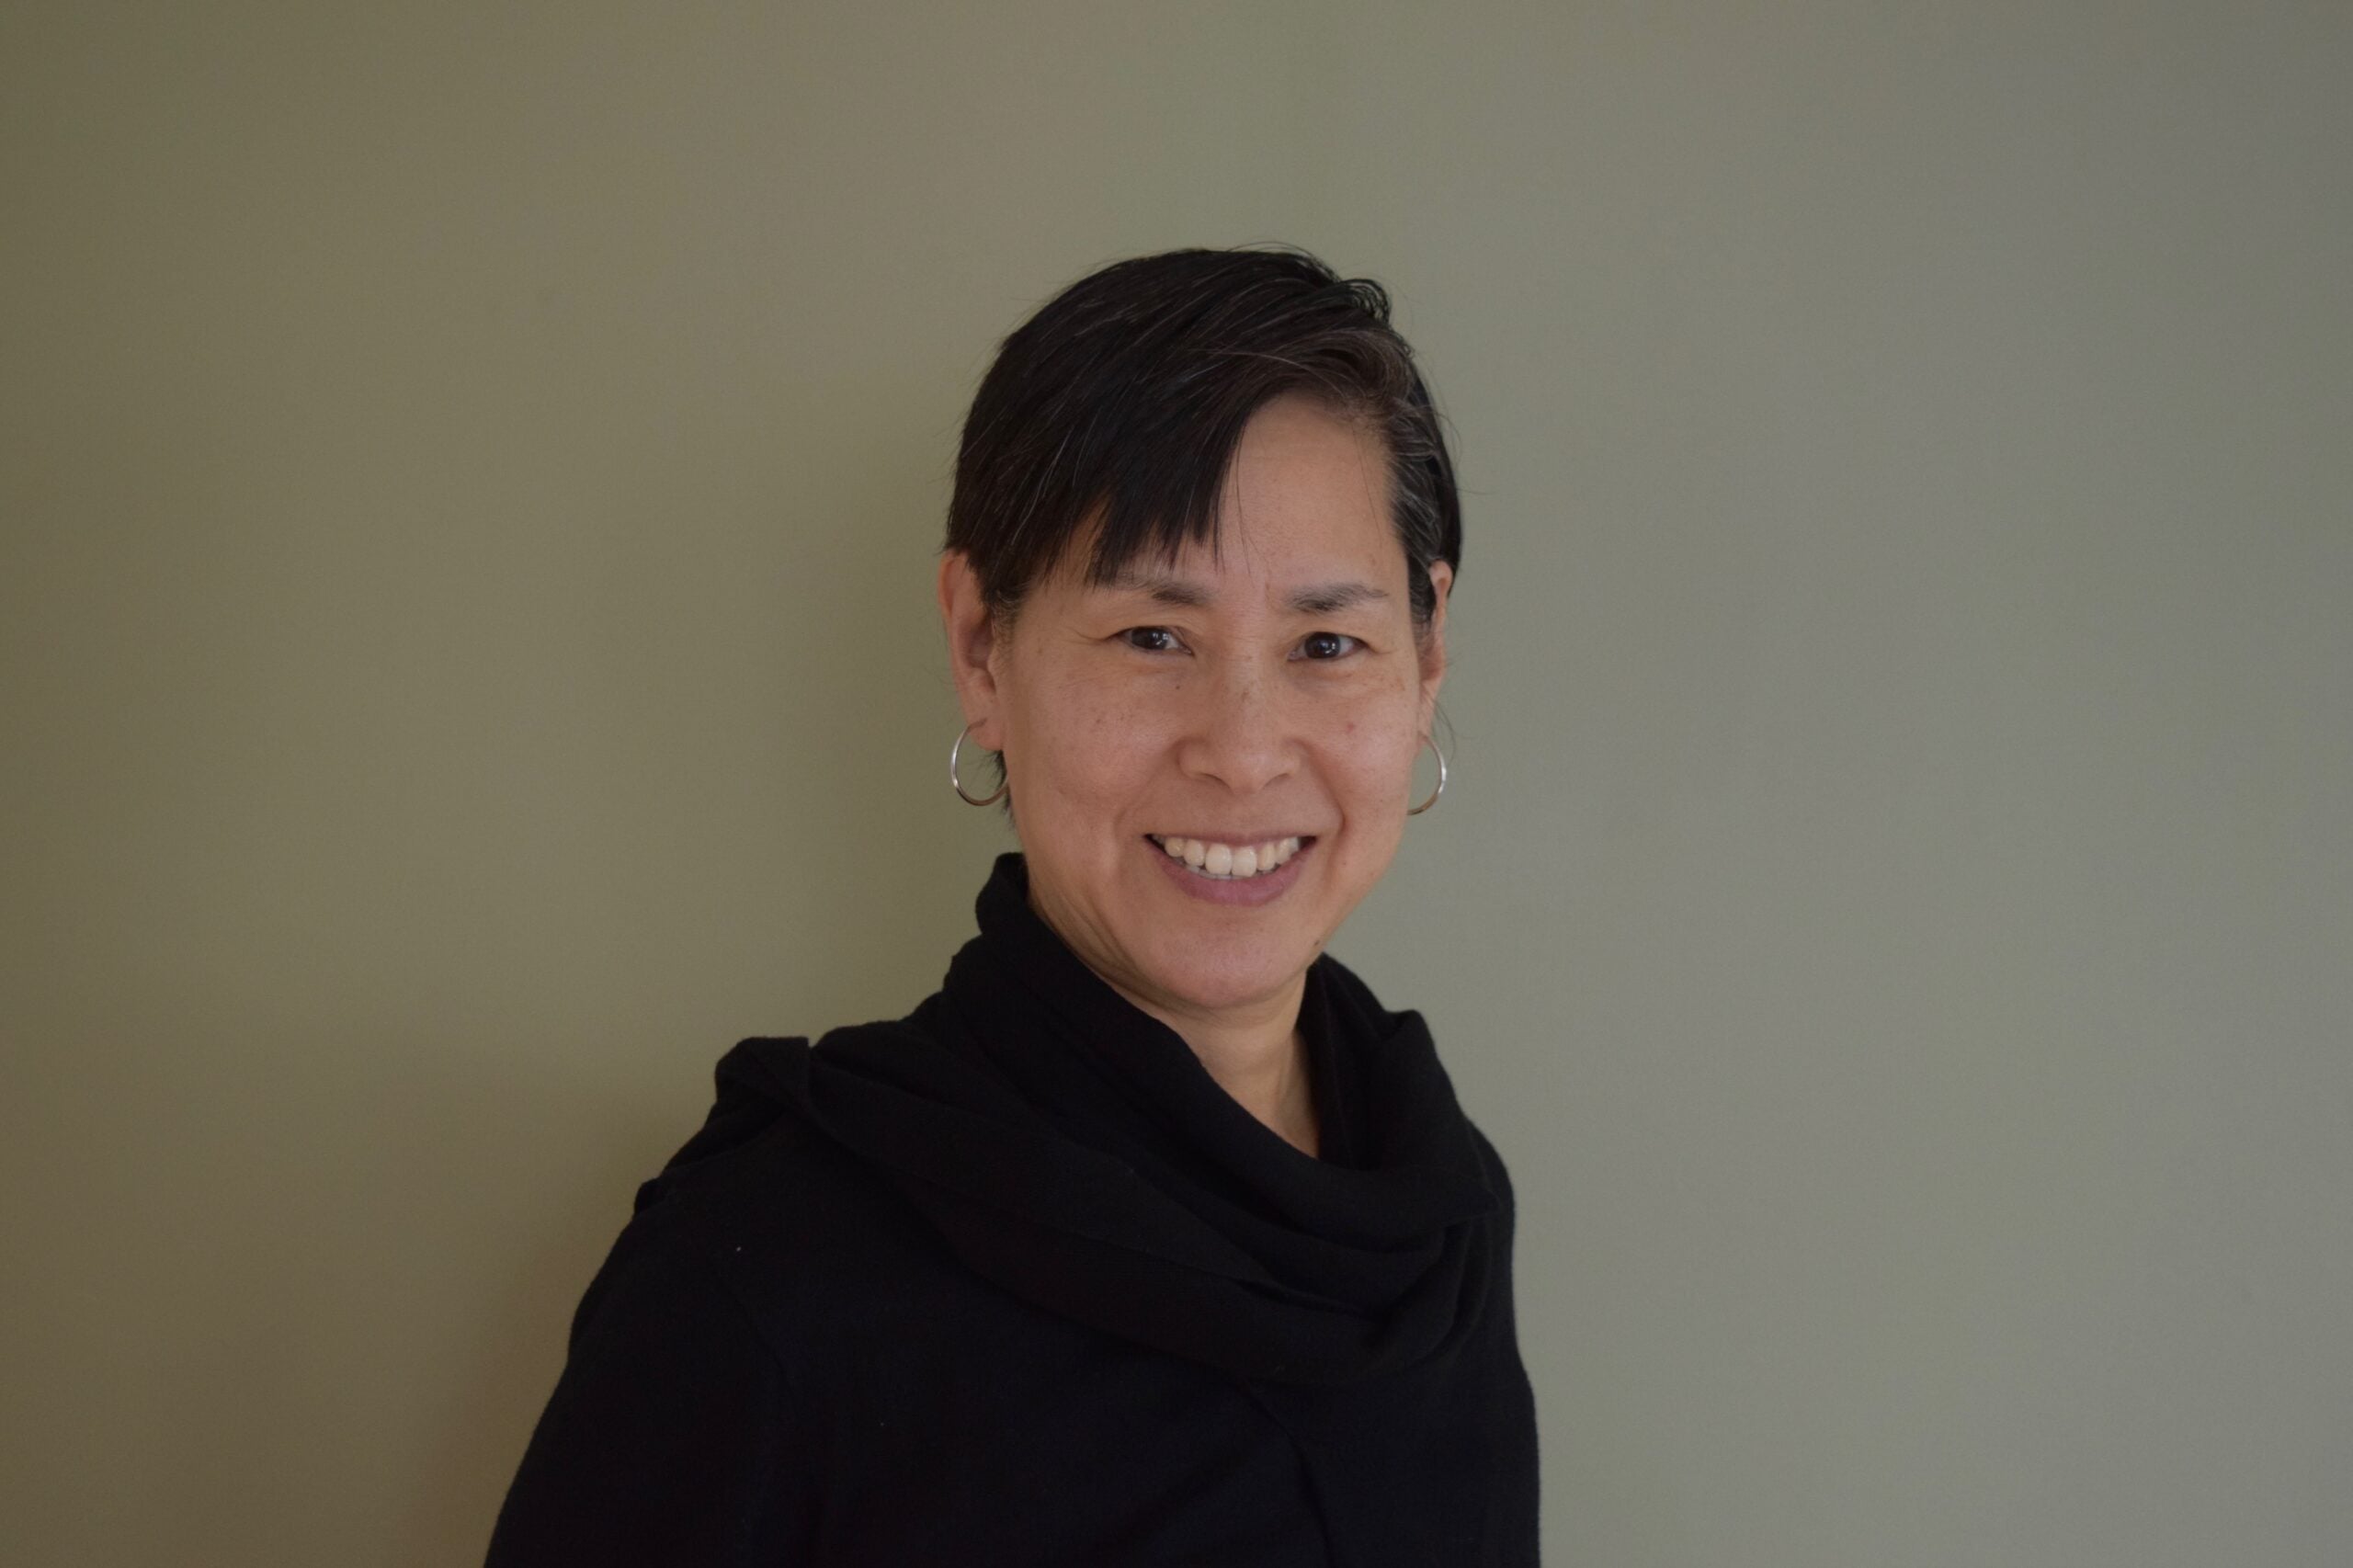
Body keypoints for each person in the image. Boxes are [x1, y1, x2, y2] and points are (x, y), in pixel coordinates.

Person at [484, 245, 1540, 1565]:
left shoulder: (1443, 1213)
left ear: (1426, 654)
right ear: (982, 647)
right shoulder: (765, 1276)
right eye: (1153, 635)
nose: (1243, 750)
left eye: (1328, 643)